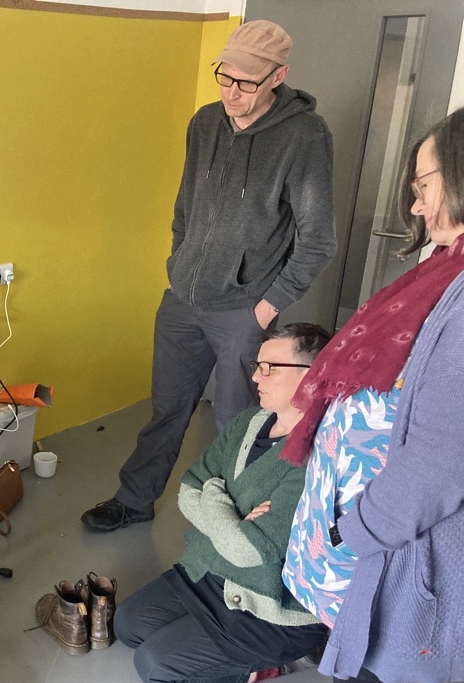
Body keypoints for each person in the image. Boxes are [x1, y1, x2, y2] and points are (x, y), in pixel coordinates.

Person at [83, 20, 336, 532]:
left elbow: (318, 239)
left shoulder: (305, 135)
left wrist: (266, 306)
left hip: (243, 309)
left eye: (246, 82)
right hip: (183, 299)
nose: (231, 91)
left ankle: (238, 525)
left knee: (239, 423)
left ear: (277, 77)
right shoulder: (204, 123)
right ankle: (134, 501)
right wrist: (179, 264)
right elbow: (185, 207)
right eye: (225, 76)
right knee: (167, 410)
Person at [282, 107, 464, 683]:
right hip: (382, 547)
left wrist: (356, 532)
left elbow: (442, 458)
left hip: (396, 557)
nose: (415, 206)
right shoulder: (447, 269)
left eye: (423, 185)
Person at [113, 323, 331, 683]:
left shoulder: (317, 454)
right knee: (127, 625)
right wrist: (231, 514)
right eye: (257, 365)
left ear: (313, 375)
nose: (256, 376)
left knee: (154, 667)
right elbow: (189, 488)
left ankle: (279, 663)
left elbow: (248, 551)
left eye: (270, 367)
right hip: (210, 571)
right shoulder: (249, 421)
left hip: (265, 604)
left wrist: (214, 493)